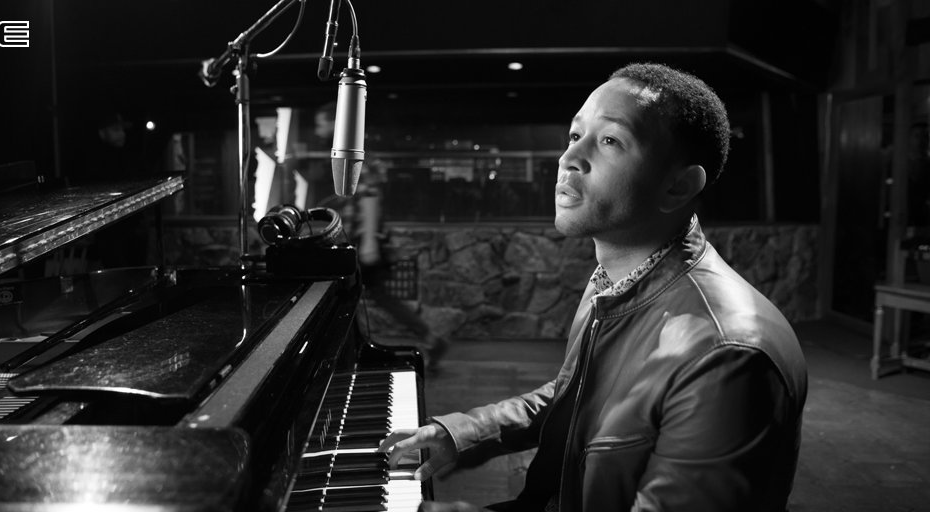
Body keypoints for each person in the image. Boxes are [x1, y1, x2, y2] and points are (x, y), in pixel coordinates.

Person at [379, 62, 808, 511]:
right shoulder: (617, 279)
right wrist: (464, 433)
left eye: (610, 141)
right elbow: (581, 397)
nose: (569, 158)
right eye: (574, 135)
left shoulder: (729, 358)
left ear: (678, 186)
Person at [311, 103, 450, 369]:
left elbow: (370, 198)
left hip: (359, 242)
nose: (317, 130)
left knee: (352, 297)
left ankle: (357, 351)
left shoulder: (354, 155)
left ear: (335, 123)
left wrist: (369, 243)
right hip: (355, 240)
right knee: (360, 296)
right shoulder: (347, 154)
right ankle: (361, 349)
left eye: (321, 123)